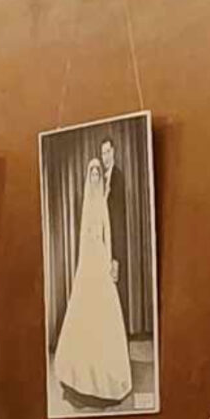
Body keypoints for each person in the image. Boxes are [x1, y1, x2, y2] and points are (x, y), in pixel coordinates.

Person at [53, 158, 132, 403]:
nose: (96, 176)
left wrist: (110, 262)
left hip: (101, 259)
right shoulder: (87, 204)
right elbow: (82, 239)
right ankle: (80, 375)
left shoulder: (104, 204)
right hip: (87, 262)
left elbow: (108, 234)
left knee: (103, 313)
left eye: (98, 172)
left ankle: (104, 374)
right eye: (93, 173)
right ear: (89, 177)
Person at [100, 137, 130, 331]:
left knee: (117, 296)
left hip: (114, 248)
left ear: (114, 152)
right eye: (103, 153)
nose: (106, 157)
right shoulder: (102, 178)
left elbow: (118, 219)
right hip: (103, 246)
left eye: (108, 152)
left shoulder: (117, 178)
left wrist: (116, 258)